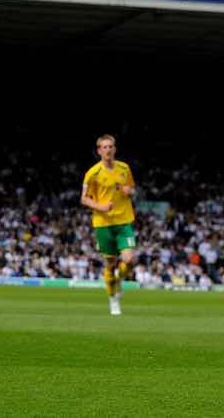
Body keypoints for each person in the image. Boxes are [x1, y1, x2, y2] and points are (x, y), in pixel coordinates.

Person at [80, 134, 137, 316]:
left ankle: (119, 280)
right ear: (99, 151)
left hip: (123, 221)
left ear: (115, 149)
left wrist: (130, 191)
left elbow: (130, 188)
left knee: (129, 260)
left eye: (110, 146)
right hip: (103, 224)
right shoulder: (93, 173)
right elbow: (84, 199)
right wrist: (101, 207)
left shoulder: (124, 168)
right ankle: (113, 299)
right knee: (110, 264)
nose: (108, 150)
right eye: (104, 147)